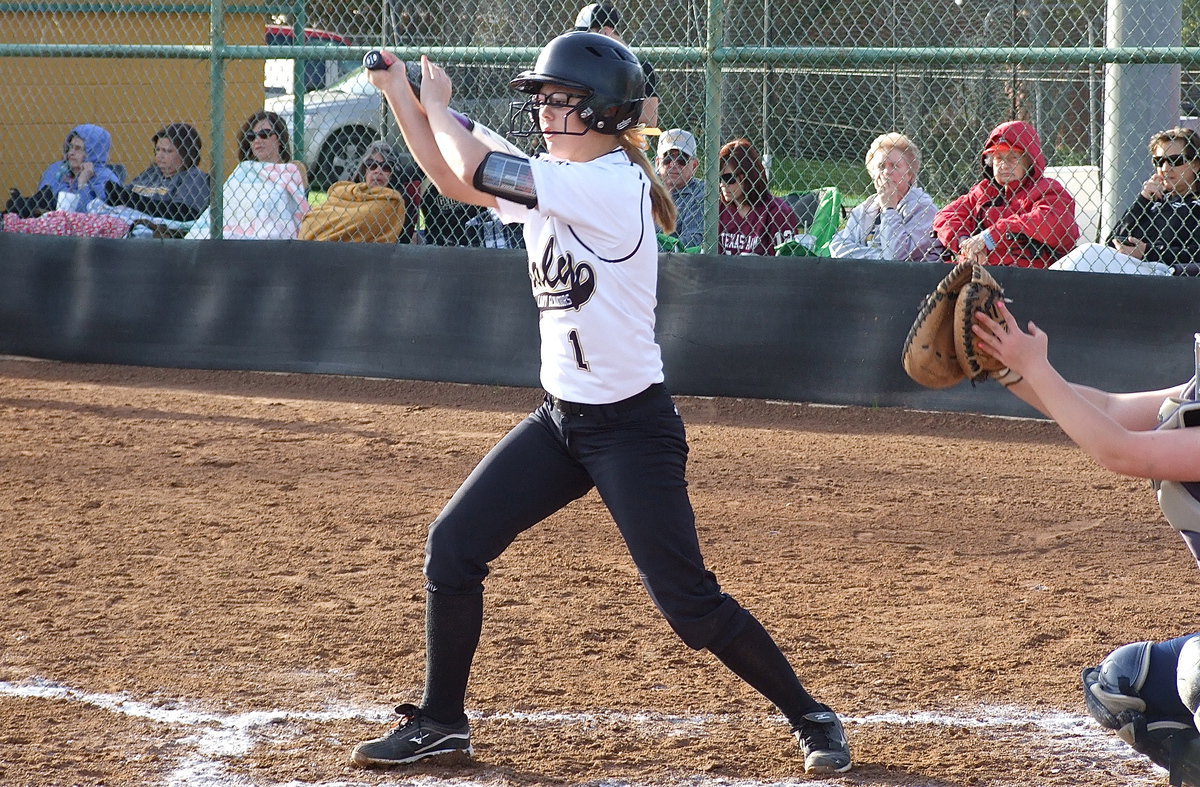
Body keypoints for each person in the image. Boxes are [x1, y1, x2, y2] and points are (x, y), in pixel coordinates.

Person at [349, 31, 852, 775]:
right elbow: (457, 180)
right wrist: (401, 96)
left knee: (689, 603)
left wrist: (440, 105)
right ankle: (441, 721)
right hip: (560, 422)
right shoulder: (559, 174)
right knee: (452, 548)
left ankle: (812, 714)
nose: (548, 115)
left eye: (565, 103)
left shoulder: (609, 185)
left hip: (631, 431)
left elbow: (474, 160)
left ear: (611, 115)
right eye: (545, 101)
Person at [973, 305, 1200, 783]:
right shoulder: (1192, 402)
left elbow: (1122, 449)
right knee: (1124, 682)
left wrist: (1035, 365)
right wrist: (1009, 366)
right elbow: (1110, 410)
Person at [1052, 127, 1200, 276]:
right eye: (1159, 161)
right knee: (1089, 254)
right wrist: (1143, 200)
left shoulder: (1196, 205)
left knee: (1088, 253)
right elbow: (1111, 242)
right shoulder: (1155, 202)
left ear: (1195, 164)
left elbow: (1196, 252)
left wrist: (1148, 252)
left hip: (1169, 272)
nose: (1165, 168)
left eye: (1176, 160)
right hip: (1131, 269)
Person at [933, 120, 1079, 267]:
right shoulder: (983, 191)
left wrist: (991, 236)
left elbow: (1055, 223)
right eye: (998, 158)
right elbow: (945, 216)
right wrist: (965, 244)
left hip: (1027, 277)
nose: (1003, 165)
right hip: (977, 275)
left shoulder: (1047, 189)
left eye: (1013, 157)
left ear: (1030, 160)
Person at [184, 111, 309, 240]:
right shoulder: (244, 170)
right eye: (251, 136)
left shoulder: (291, 170)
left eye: (264, 134)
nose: (257, 140)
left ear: (280, 139)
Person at [829, 132, 938, 262]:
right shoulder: (864, 209)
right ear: (872, 174)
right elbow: (838, 247)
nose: (886, 172)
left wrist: (889, 209)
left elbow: (895, 257)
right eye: (881, 166)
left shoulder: (924, 208)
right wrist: (879, 259)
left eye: (895, 166)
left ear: (910, 174)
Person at [299, 141, 408, 243]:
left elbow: (364, 220)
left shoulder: (391, 202)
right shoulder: (345, 192)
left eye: (386, 167)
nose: (378, 170)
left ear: (392, 174)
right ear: (364, 169)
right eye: (371, 164)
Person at [104, 122, 212, 224]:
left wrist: (130, 199)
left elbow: (185, 213)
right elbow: (122, 196)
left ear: (186, 154)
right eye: (158, 150)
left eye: (167, 151)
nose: (159, 156)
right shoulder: (152, 173)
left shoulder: (194, 177)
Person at [6, 123, 124, 216]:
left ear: (93, 151)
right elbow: (46, 202)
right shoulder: (57, 169)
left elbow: (82, 212)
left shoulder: (106, 178)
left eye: (78, 148)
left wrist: (82, 183)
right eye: (70, 147)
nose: (71, 153)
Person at [573, 2, 659, 127]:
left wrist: (612, 120)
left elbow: (649, 120)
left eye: (587, 34)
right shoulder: (588, 66)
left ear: (605, 32)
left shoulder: (640, 67)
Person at [717, 138, 799, 256]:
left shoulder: (776, 212)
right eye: (719, 179)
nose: (722, 185)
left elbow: (784, 265)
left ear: (748, 176)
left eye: (729, 178)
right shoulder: (720, 209)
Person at [655, 128, 706, 250]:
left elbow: (691, 241)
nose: (673, 164)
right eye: (667, 157)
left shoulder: (701, 194)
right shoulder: (645, 188)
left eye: (682, 159)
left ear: (694, 166)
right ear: (658, 162)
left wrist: (648, 246)